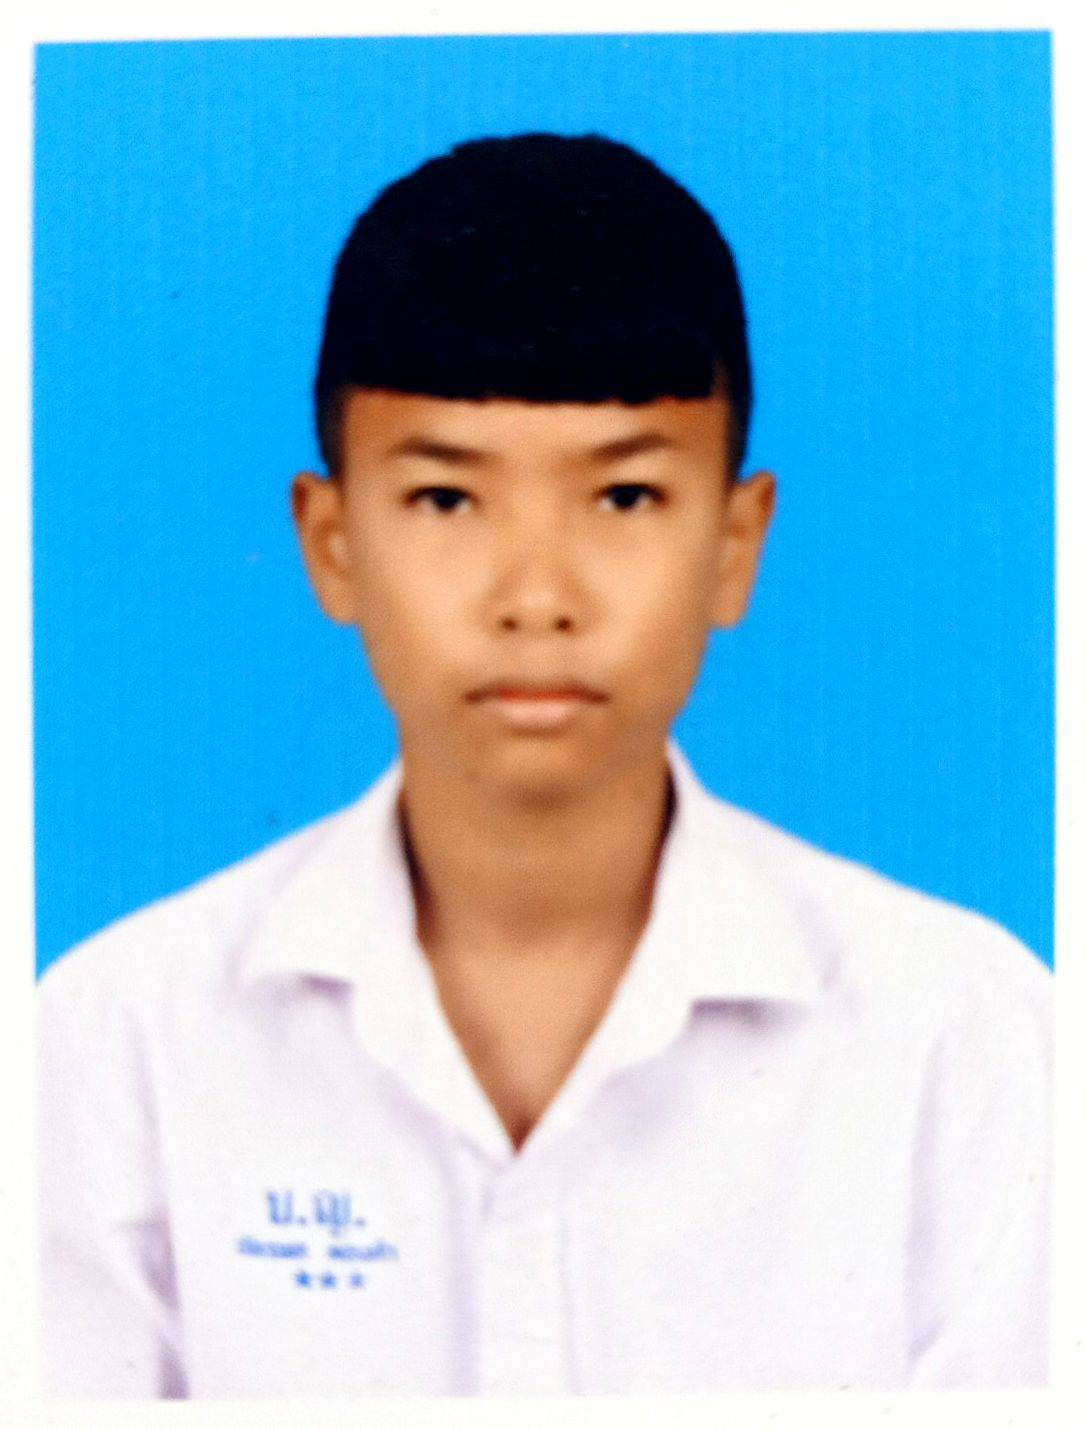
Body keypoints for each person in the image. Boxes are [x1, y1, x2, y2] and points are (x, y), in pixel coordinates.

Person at [37, 132, 1050, 1398]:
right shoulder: (118, 1044)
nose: (536, 597)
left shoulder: (966, 1041)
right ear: (332, 542)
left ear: (735, 544)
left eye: (623, 498)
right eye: (446, 500)